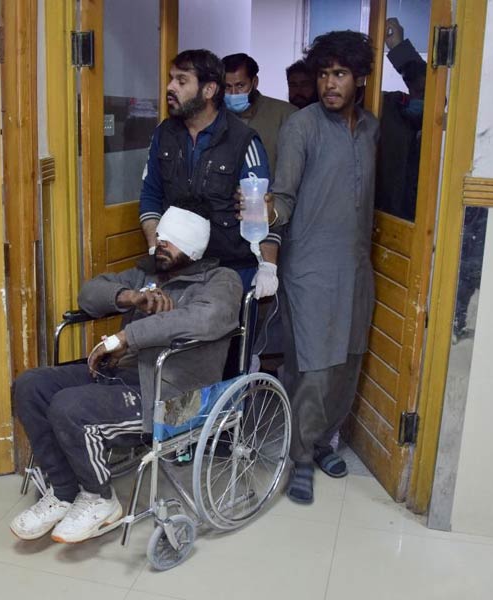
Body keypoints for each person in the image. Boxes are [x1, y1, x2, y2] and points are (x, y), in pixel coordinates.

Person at [10, 204, 242, 543]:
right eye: (161, 238)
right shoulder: (144, 275)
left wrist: (126, 336)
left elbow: (205, 320)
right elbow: (88, 294)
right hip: (118, 376)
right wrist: (130, 297)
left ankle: (99, 498)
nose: (161, 245)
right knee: (30, 386)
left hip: (171, 394)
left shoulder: (220, 281)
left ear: (193, 249)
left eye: (172, 241)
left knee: (69, 407)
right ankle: (63, 491)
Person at [269, 31, 379, 504]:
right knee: (314, 365)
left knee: (348, 361)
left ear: (360, 78)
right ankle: (300, 458)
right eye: (323, 74)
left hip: (356, 266)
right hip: (309, 266)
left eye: (339, 74)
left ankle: (322, 439)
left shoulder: (373, 129)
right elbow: (284, 196)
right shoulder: (302, 127)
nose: (329, 84)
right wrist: (265, 221)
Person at [139, 49, 279, 297]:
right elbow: (151, 195)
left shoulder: (243, 141)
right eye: (171, 78)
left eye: (181, 81)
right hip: (178, 269)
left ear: (209, 90)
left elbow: (263, 211)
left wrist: (268, 265)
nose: (170, 87)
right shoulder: (164, 135)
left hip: (231, 270)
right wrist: (155, 249)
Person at [375, 17, 428, 221]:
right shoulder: (389, 106)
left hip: (415, 217)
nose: (419, 95)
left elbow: (427, 85)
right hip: (383, 213)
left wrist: (397, 47)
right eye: (417, 90)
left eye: (423, 92)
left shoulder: (432, 120)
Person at [223, 53, 297, 176]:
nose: (233, 93)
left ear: (254, 82)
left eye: (240, 86)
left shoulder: (285, 115)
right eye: (227, 87)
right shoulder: (214, 116)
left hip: (268, 193)